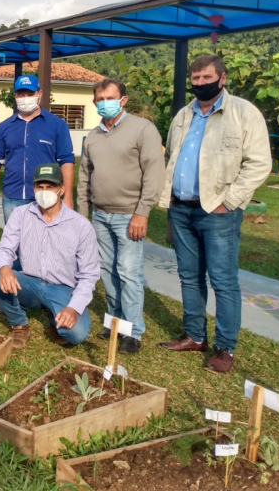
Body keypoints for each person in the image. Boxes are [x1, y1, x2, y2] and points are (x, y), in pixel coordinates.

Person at [159, 54, 272, 373]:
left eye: (207, 78)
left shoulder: (243, 113)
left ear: (222, 79)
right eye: (195, 79)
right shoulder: (183, 115)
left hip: (218, 211)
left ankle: (225, 348)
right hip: (182, 208)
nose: (200, 84)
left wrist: (230, 201)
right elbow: (172, 156)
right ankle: (195, 336)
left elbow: (260, 163)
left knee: (223, 280)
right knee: (189, 276)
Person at [77, 78, 165, 354]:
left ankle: (133, 331)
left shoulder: (143, 129)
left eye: (110, 98)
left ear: (123, 100)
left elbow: (154, 172)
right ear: (94, 102)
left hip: (129, 216)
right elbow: (84, 178)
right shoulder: (93, 136)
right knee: (106, 270)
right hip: (100, 216)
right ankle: (114, 322)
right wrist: (83, 216)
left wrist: (143, 212)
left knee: (128, 273)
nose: (105, 103)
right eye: (100, 99)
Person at [0, 164, 99, 349]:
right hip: (29, 281)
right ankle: (19, 323)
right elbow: (5, 248)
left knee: (76, 333)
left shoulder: (81, 225)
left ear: (62, 189)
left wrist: (73, 308)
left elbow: (89, 275)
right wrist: (5, 268)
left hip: (62, 287)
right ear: (34, 188)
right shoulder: (21, 214)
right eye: (40, 187)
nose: (44, 191)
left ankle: (56, 315)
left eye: (50, 186)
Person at [0, 74, 75, 223]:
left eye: (30, 94)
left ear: (39, 94)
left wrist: (68, 196)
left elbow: (66, 161)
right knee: (15, 238)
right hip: (12, 198)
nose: (25, 98)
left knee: (47, 237)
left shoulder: (57, 125)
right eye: (21, 94)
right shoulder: (4, 127)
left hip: (46, 197)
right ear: (15, 96)